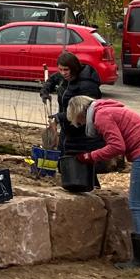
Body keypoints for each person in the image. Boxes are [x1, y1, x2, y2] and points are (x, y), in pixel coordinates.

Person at [67, 95, 140, 270]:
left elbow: (117, 146)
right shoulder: (108, 109)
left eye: (79, 121)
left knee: (138, 205)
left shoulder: (101, 116)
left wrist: (89, 156)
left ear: (80, 113)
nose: (81, 124)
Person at [41, 49, 105, 187]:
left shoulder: (87, 85)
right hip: (67, 127)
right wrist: (45, 91)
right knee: (64, 160)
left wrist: (59, 117)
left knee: (80, 162)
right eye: (60, 69)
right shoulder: (65, 77)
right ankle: (71, 185)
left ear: (74, 68)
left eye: (66, 70)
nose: (63, 73)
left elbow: (84, 111)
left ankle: (90, 187)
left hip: (81, 129)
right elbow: (52, 79)